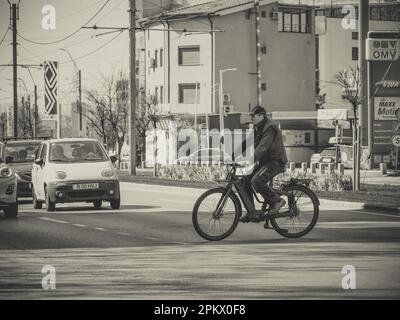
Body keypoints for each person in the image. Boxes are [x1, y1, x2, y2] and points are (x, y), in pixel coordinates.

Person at [240, 105, 288, 223]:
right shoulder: (258, 127)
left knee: (256, 181)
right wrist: (231, 155)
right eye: (250, 115)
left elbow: (263, 147)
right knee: (245, 179)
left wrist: (249, 160)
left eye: (253, 115)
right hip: (265, 162)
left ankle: (277, 201)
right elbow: (247, 142)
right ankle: (251, 211)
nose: (251, 118)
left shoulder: (270, 128)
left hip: (275, 161)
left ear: (261, 116)